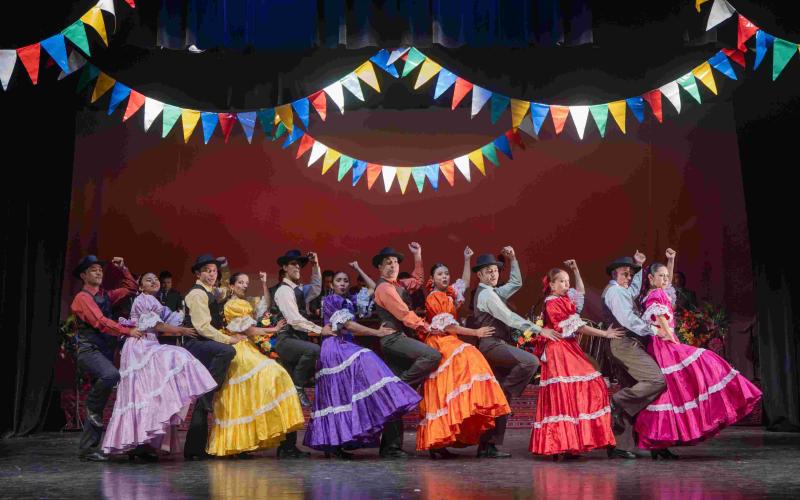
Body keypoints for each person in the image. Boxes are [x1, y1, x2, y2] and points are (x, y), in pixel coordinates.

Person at [633, 249, 762, 455]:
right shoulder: (656, 294)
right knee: (705, 361)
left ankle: (660, 442)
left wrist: (671, 260)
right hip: (665, 345)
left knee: (673, 390)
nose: (666, 279)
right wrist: (669, 335)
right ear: (650, 278)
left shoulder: (660, 291)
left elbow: (666, 290)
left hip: (661, 344)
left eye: (668, 276)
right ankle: (661, 441)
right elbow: (660, 317)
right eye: (661, 276)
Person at [304, 264, 421, 459]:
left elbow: (376, 288)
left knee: (344, 393)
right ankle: (334, 443)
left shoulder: (348, 301)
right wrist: (377, 332)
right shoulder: (332, 300)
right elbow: (347, 325)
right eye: (339, 281)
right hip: (335, 346)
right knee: (364, 359)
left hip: (344, 345)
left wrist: (360, 270)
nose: (343, 284)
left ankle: (337, 442)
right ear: (331, 284)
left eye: (346, 281)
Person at [102, 272, 216, 458]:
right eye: (148, 279)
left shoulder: (156, 303)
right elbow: (156, 326)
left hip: (149, 344)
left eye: (155, 279)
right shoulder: (143, 299)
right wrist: (180, 331)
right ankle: (138, 443)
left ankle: (146, 443)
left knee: (149, 393)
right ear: (140, 287)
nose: (154, 281)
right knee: (143, 389)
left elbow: (170, 318)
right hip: (139, 347)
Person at [417, 246, 511, 458]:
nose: (445, 277)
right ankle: (438, 440)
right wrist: (476, 332)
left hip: (449, 339)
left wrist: (467, 259)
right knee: (469, 355)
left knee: (454, 379)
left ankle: (443, 439)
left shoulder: (448, 294)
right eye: (440, 274)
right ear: (432, 278)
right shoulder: (434, 298)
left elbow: (465, 283)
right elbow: (449, 326)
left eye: (447, 274)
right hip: (441, 340)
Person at [468, 247, 559, 458]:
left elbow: (516, 283)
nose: (493, 274)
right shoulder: (487, 295)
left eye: (495, 270)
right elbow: (509, 318)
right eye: (488, 271)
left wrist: (514, 259)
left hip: (498, 345)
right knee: (530, 362)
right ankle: (506, 394)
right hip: (492, 346)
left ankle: (487, 445)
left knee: (497, 399)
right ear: (480, 275)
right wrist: (539, 329)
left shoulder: (494, 292)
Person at [528, 260, 624, 459]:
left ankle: (572, 442)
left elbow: (580, 292)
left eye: (566, 281)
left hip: (567, 348)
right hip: (559, 350)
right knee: (567, 393)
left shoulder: (564, 299)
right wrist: (604, 334)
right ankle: (563, 443)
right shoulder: (553, 303)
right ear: (552, 285)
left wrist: (576, 270)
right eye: (561, 282)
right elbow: (579, 326)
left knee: (579, 389)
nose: (566, 285)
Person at [207, 272, 307, 458]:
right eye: (240, 282)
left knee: (254, 388)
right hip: (240, 349)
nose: (244, 285)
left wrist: (262, 284)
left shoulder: (244, 303)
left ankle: (248, 441)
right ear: (232, 285)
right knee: (274, 372)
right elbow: (248, 329)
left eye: (246, 282)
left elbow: (263, 307)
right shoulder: (234, 305)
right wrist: (274, 329)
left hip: (248, 346)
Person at [371, 243, 443, 458]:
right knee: (432, 355)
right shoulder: (384, 288)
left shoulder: (399, 284)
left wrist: (418, 255)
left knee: (396, 400)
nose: (393, 266)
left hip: (400, 339)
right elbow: (404, 314)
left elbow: (418, 280)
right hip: (393, 339)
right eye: (388, 263)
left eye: (395, 262)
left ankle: (391, 448)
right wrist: (428, 327)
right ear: (380, 268)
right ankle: (401, 386)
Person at [70, 255, 142, 461]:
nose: (99, 272)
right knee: (111, 375)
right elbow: (100, 322)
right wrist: (128, 331)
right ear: (83, 275)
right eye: (93, 270)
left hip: (103, 351)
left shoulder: (105, 296)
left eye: (100, 269)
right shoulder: (82, 298)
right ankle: (91, 406)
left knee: (104, 393)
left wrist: (123, 268)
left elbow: (131, 288)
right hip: (88, 350)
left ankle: (88, 448)